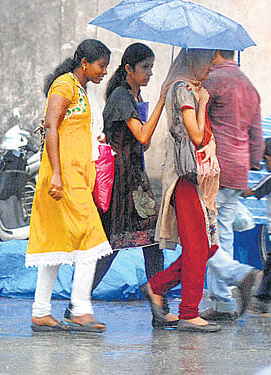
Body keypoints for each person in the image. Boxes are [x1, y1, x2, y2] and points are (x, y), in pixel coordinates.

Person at [74, 43, 177, 328]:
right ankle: (78, 302)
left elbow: (136, 144)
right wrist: (161, 102)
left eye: (152, 68)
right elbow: (143, 137)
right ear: (129, 69)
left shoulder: (132, 96)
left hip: (134, 179)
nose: (149, 74)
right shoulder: (121, 97)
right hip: (123, 182)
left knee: (148, 242)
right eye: (144, 68)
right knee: (112, 245)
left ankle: (159, 306)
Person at [26, 39, 113, 333]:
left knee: (57, 241)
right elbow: (51, 127)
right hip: (61, 178)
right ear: (85, 63)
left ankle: (41, 311)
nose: (104, 72)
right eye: (102, 66)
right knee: (90, 236)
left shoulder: (81, 90)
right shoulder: (64, 86)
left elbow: (75, 131)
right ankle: (80, 308)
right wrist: (57, 175)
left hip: (76, 176)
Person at [140, 48, 223, 332]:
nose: (212, 65)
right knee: (199, 246)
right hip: (186, 177)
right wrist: (203, 104)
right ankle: (189, 312)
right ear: (193, 60)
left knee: (209, 245)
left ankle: (157, 285)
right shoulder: (183, 90)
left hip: (198, 181)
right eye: (208, 60)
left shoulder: (193, 88)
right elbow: (196, 135)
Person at [199, 50, 263, 321]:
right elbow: (256, 132)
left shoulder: (213, 80)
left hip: (215, 169)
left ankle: (238, 276)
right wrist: (256, 160)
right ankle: (223, 303)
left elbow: (198, 122)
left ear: (214, 54)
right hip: (239, 171)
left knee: (202, 233)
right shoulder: (249, 85)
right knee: (223, 234)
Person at [242, 137, 271, 316]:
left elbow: (249, 192)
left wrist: (232, 185)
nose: (265, 164)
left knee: (269, 265)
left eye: (266, 160)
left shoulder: (269, 179)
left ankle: (261, 299)